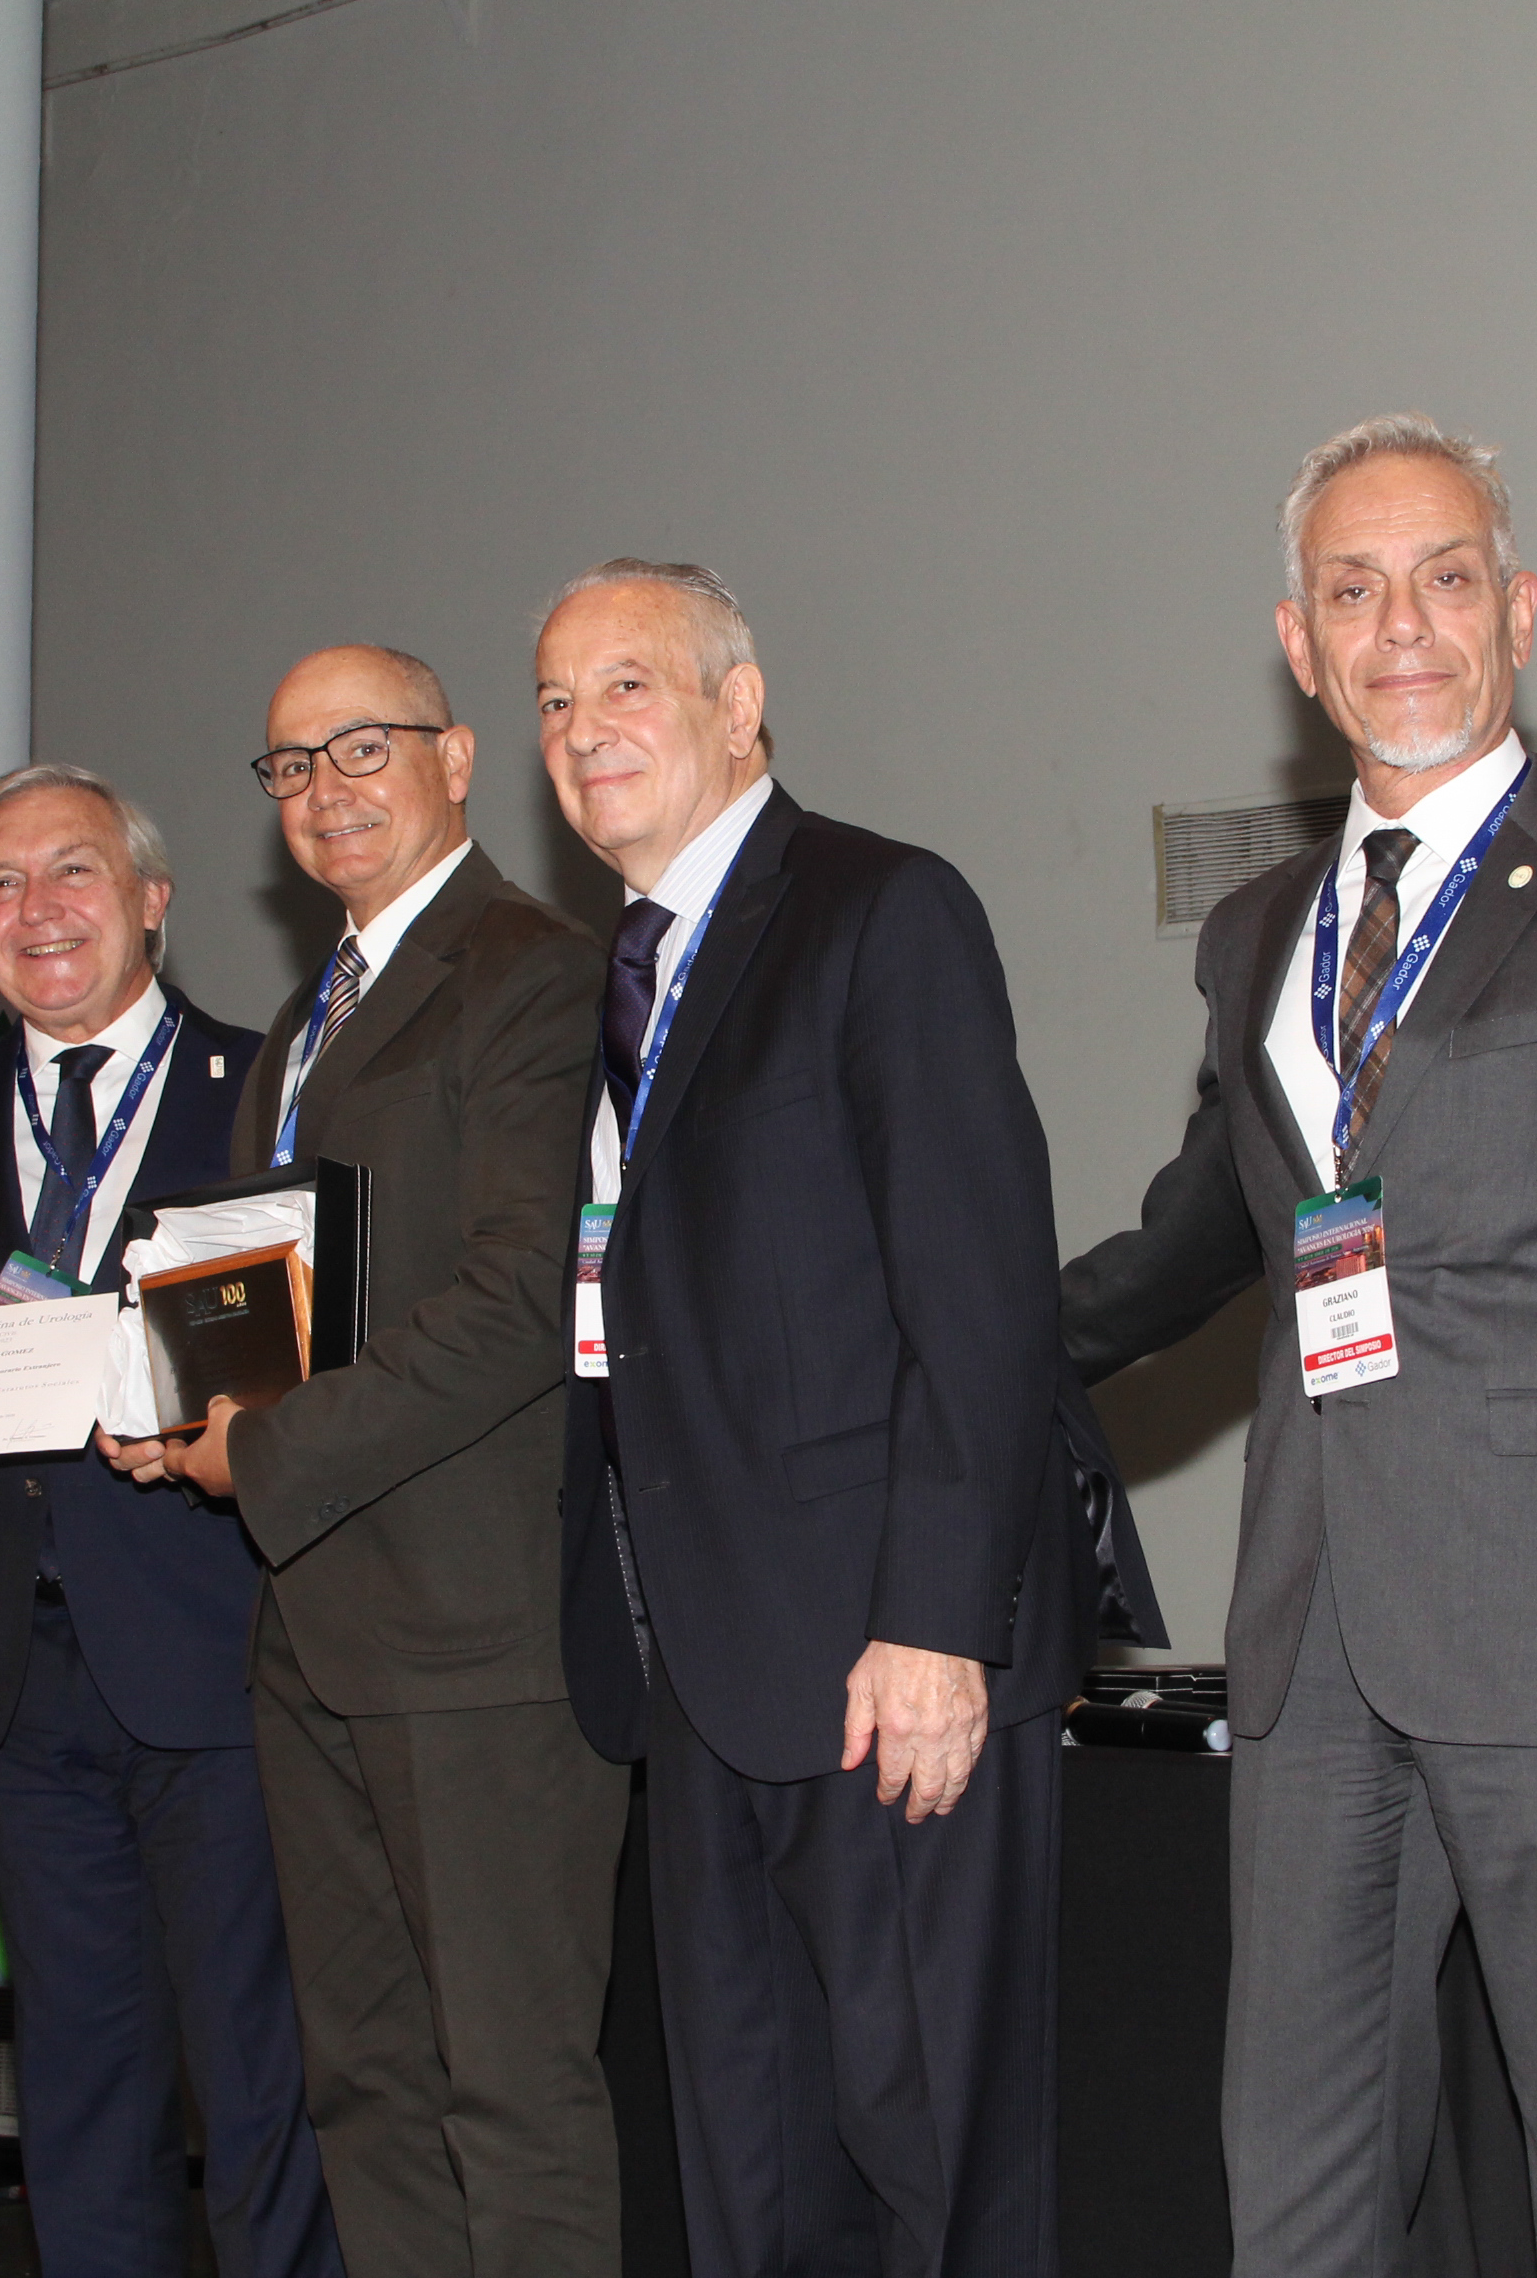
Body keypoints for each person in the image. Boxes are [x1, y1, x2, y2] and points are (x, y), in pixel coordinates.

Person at [1057, 417, 1537, 2275]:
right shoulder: (1258, 936)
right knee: (1295, 2195)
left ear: (1520, 611)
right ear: (1299, 642)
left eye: (1446, 578)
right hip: (1315, 1643)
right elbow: (1197, 1240)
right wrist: (931, 1350)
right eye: (1354, 591)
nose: (1401, 625)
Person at [540, 559, 1155, 2278]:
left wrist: (938, 1627)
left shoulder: (881, 911)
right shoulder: (618, 981)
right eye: (557, 704)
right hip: (700, 1674)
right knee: (752, 2179)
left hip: (889, 1670)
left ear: (740, 708)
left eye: (627, 687)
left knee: (936, 2172)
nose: (584, 732)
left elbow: (981, 1302)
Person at [111, 646, 629, 2278]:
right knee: (366, 2089)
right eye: (290, 765)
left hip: (478, 1640)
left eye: (361, 749)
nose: (323, 790)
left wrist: (261, 1448)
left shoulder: (535, 971)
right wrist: (169, 1400)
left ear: (456, 759)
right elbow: (284, 1301)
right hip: (315, 1630)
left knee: (512, 2094)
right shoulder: (300, 1021)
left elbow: (517, 1300)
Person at [0, 766, 340, 2278]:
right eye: (0, 883)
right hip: (19, 1680)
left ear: (152, 898)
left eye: (73, 871)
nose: (36, 910)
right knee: (81, 2095)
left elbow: (323, 1362)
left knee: (263, 2090)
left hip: (224, 1658)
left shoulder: (268, 1084)